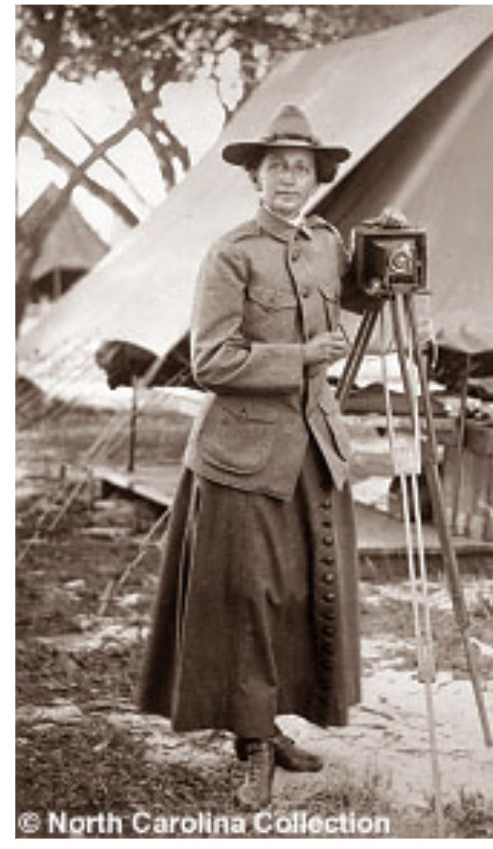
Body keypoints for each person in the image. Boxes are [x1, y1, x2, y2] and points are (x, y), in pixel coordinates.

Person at [138, 104, 366, 812]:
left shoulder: (327, 242)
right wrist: (299, 356)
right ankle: (252, 750)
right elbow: (210, 360)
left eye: (301, 168)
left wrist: (396, 248)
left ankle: (271, 725)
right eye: (276, 169)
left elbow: (366, 293)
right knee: (248, 601)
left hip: (314, 450)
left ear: (317, 178)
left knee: (301, 596)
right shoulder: (231, 252)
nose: (289, 180)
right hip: (241, 456)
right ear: (256, 179)